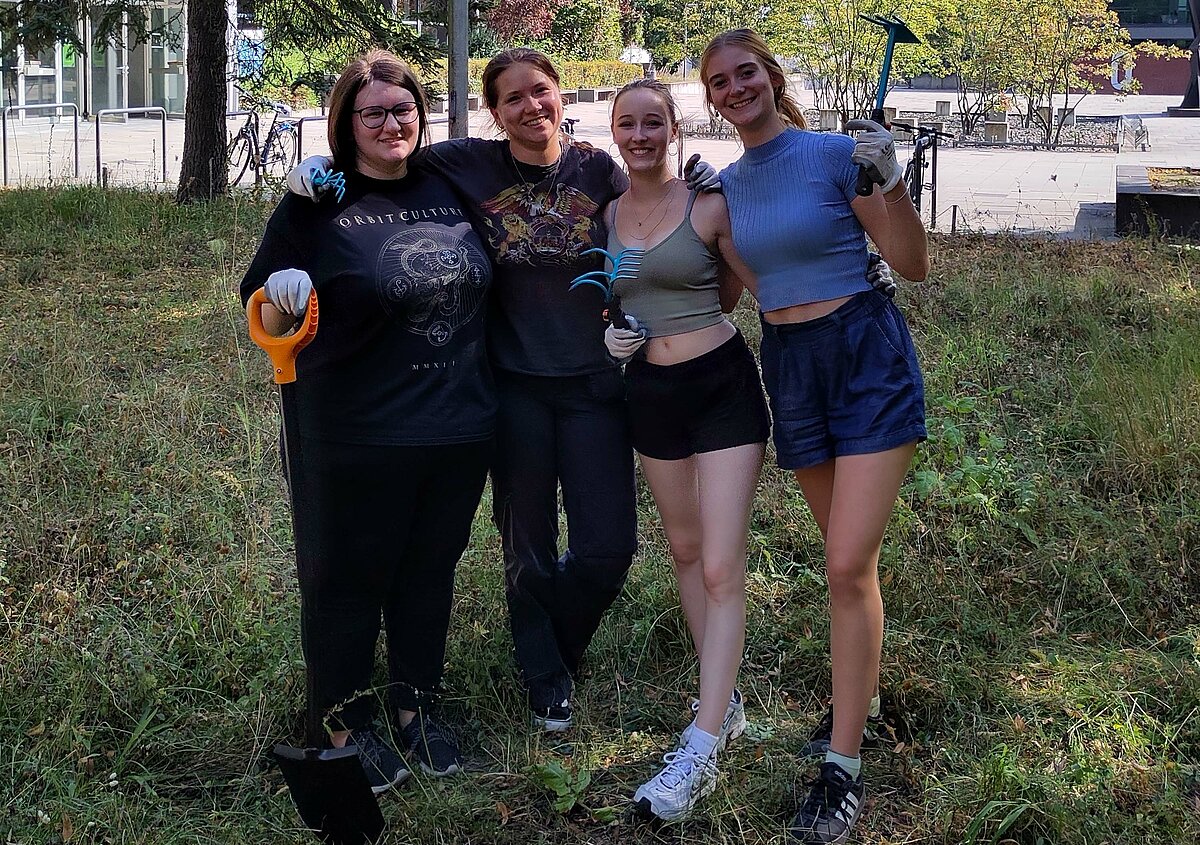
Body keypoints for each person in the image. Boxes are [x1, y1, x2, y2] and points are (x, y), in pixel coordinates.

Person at [287, 49, 720, 733]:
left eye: (540, 92)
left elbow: (654, 205)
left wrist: (699, 180)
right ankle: (541, 670)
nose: (530, 107)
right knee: (529, 547)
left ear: (560, 95)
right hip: (508, 386)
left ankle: (556, 641)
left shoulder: (598, 170)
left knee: (607, 548)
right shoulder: (461, 165)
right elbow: (383, 152)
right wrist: (316, 175)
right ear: (493, 111)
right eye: (512, 98)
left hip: (594, 383)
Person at [240, 49, 495, 791]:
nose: (391, 123)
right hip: (352, 431)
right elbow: (259, 294)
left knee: (428, 576)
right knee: (346, 582)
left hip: (457, 426)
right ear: (346, 122)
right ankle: (343, 721)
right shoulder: (318, 200)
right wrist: (282, 290)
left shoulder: (449, 181)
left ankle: (416, 707)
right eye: (373, 111)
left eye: (403, 108)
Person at [699, 29, 930, 845]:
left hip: (864, 353)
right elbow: (730, 290)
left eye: (747, 73)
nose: (736, 88)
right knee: (844, 559)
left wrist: (894, 182)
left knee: (844, 561)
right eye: (720, 81)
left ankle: (843, 768)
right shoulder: (723, 190)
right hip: (792, 367)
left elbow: (911, 262)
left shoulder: (838, 154)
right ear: (712, 97)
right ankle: (855, 691)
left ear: (771, 76)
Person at [595, 78, 767, 822]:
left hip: (721, 386)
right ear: (613, 131)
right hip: (650, 395)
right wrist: (612, 335)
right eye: (627, 124)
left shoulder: (708, 201)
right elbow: (613, 297)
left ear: (674, 127)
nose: (639, 135)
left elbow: (749, 288)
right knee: (687, 550)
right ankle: (721, 703)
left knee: (724, 562)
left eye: (652, 122)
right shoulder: (605, 212)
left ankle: (700, 743)